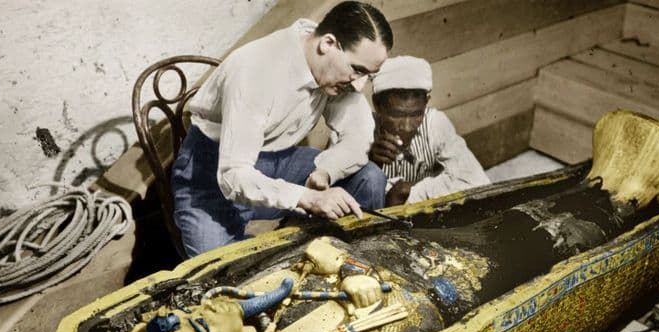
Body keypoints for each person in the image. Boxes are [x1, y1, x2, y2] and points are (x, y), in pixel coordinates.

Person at [171, 2, 393, 258]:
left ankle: (356, 264)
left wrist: (327, 171)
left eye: (369, 75)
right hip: (212, 174)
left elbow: (359, 134)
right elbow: (234, 176)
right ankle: (297, 250)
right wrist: (307, 198)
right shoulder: (255, 70)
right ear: (328, 44)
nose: (359, 85)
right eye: (357, 70)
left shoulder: (329, 63)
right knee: (220, 268)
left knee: (369, 178)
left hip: (278, 161)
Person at [368, 56, 491, 206]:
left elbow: (478, 182)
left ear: (426, 103)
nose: (407, 127)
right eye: (396, 115)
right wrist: (370, 164)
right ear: (377, 105)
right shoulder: (362, 129)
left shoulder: (435, 123)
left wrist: (410, 195)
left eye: (416, 114)